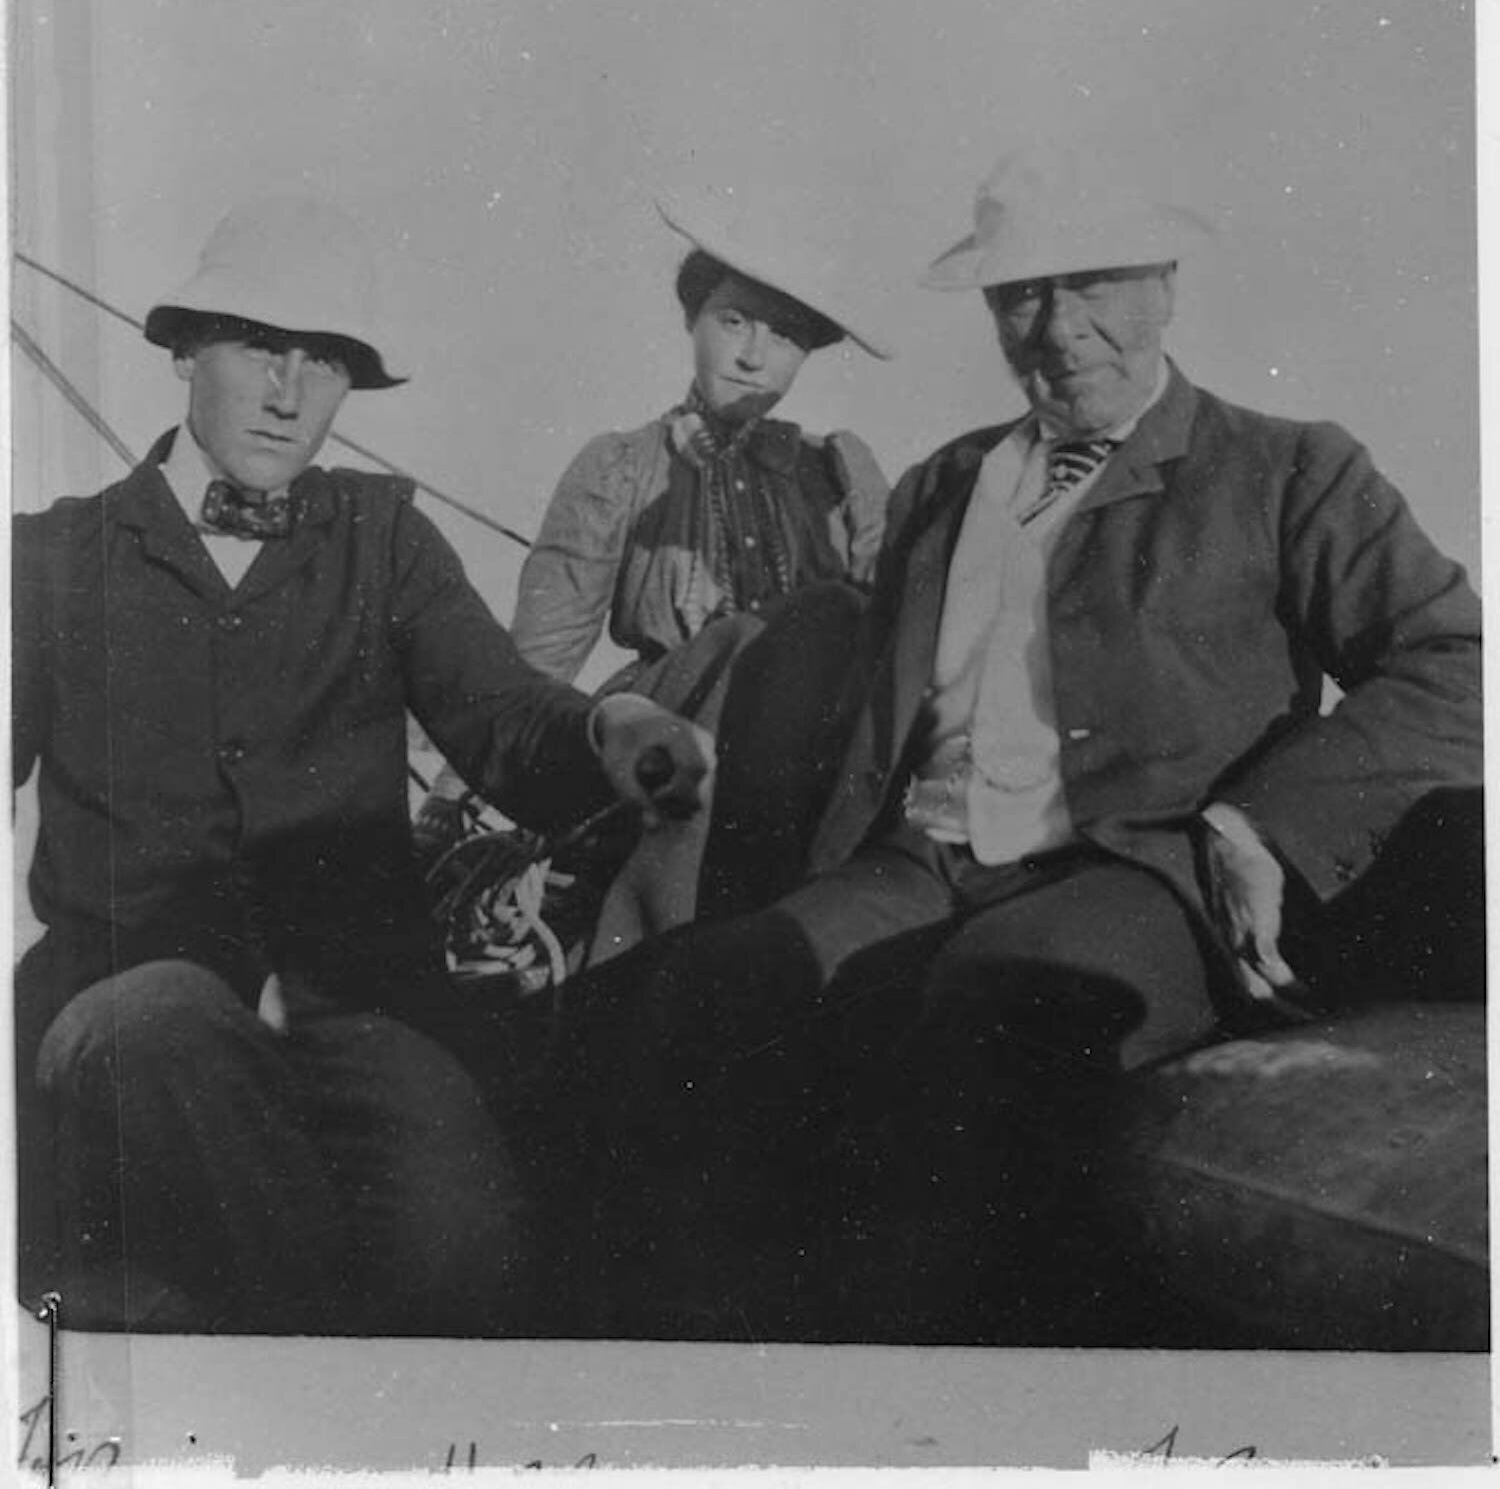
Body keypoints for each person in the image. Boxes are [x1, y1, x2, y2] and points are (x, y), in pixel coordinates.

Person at [574, 142, 1484, 1339]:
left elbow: (1453, 660)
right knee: (699, 990)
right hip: (918, 863)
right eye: (1023, 294)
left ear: (1163, 282)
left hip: (1141, 869)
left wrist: (1263, 821)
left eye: (1093, 282)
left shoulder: (1289, 467)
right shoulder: (943, 485)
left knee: (1000, 1013)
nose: (1059, 326)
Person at [11, 195, 711, 1337]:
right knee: (155, 1025)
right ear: (187, 347)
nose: (292, 392)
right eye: (261, 348)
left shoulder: (383, 539)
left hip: (362, 1009)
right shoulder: (45, 562)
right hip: (133, 1001)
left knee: (465, 1272)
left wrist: (614, 726)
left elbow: (502, 714)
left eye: (326, 363)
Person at [417, 192, 890, 956]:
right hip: (665, 733)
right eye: (733, 321)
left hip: (800, 749)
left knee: (834, 621)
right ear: (692, 320)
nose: (752, 354)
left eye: (785, 336)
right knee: (742, 644)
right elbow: (535, 664)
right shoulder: (621, 467)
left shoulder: (837, 472)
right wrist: (450, 799)